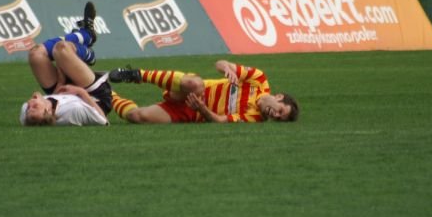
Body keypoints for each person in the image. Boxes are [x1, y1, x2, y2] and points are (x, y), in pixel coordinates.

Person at [108, 60, 299, 124]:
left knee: (137, 116)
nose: (275, 115)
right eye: (280, 111)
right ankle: (137, 75)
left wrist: (201, 109)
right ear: (278, 97)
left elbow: (221, 121)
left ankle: (106, 92)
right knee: (193, 84)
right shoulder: (259, 79)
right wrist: (228, 69)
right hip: (194, 89)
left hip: (194, 111)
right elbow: (220, 63)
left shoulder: (256, 118)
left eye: (278, 118)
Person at [20, 3, 111, 126]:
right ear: (48, 111)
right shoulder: (72, 112)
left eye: (28, 108)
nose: (30, 104)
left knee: (35, 54)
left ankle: (86, 36)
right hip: (93, 94)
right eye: (34, 106)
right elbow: (103, 120)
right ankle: (88, 48)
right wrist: (80, 91)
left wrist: (61, 80)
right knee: (61, 49)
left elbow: (57, 98)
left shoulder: (27, 113)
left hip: (61, 88)